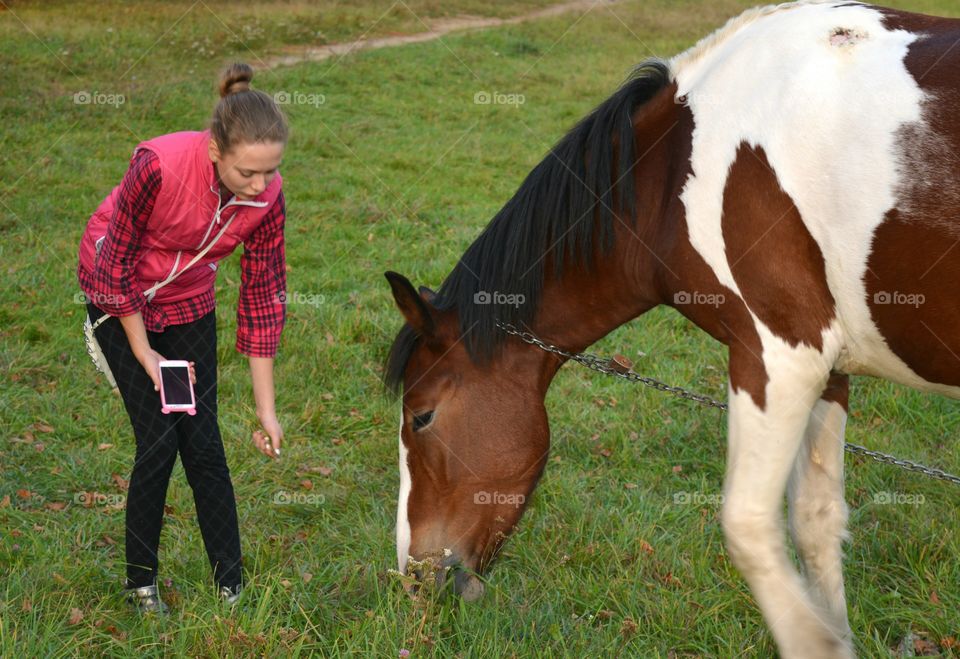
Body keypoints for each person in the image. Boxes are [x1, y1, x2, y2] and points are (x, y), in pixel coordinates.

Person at [77, 62, 288, 613]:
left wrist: (267, 409)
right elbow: (117, 258)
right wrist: (143, 349)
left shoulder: (267, 197)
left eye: (271, 172)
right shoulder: (159, 165)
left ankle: (231, 587)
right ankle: (141, 587)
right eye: (249, 173)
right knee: (160, 440)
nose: (260, 186)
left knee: (203, 442)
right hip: (118, 297)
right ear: (216, 152)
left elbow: (263, 296)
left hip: (187, 301)